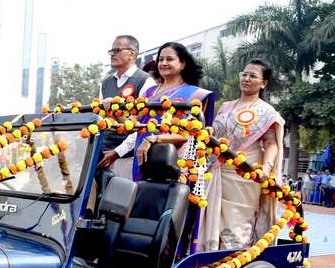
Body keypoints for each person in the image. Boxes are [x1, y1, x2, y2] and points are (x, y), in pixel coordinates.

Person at [198, 58, 283, 252]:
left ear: (263, 83)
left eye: (253, 76)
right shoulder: (226, 106)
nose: (246, 78)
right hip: (216, 171)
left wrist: (266, 169)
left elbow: (271, 143)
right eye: (244, 74)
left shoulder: (266, 111)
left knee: (236, 224)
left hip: (244, 175)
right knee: (210, 220)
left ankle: (234, 261)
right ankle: (208, 261)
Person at [132, 42, 215, 181]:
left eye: (169, 59)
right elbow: (131, 124)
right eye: (160, 59)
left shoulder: (196, 94)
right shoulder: (149, 92)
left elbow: (190, 133)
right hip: (142, 154)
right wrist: (110, 109)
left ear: (183, 64)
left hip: (174, 161)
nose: (164, 63)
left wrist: (154, 139)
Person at [96, 35, 151, 179]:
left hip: (127, 158)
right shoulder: (106, 83)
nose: (113, 54)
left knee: (123, 198)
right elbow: (101, 119)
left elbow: (142, 126)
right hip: (102, 155)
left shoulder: (145, 81)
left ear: (132, 53)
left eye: (117, 49)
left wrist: (117, 152)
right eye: (111, 50)